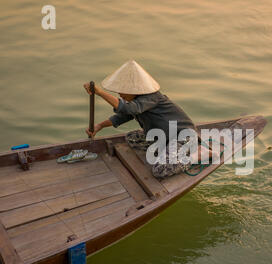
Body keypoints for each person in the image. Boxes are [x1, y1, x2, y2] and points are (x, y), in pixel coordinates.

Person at [83, 60, 211, 178]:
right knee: (131, 138)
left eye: (123, 91)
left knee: (160, 170)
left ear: (134, 90)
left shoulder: (151, 97)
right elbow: (123, 116)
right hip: (164, 136)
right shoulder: (136, 101)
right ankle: (167, 151)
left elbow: (128, 109)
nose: (120, 95)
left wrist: (99, 92)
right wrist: (99, 126)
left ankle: (197, 155)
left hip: (182, 136)